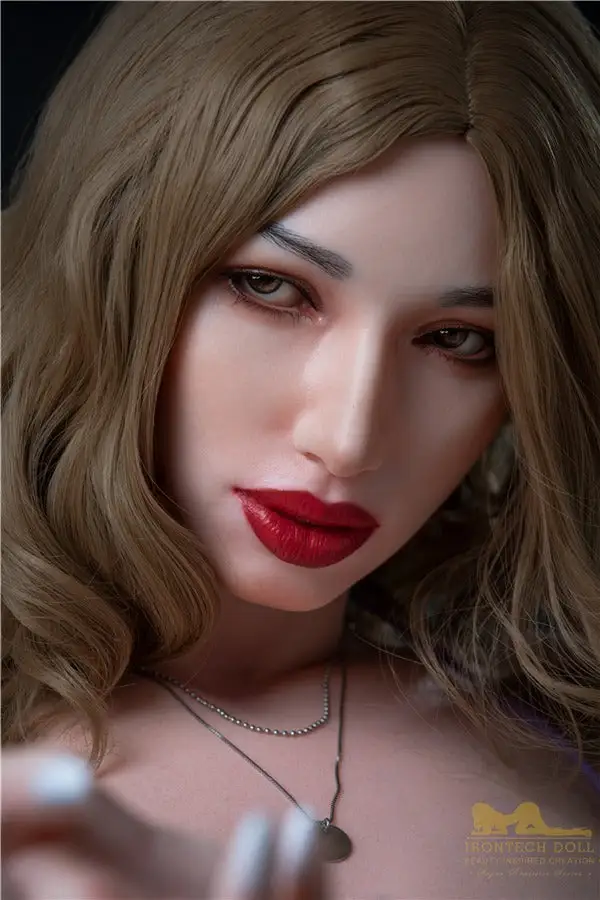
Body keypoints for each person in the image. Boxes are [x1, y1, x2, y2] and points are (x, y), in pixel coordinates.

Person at [2, 2, 599, 898]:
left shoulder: (552, 760)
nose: (348, 439)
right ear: (111, 266)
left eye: (457, 341)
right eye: (271, 289)